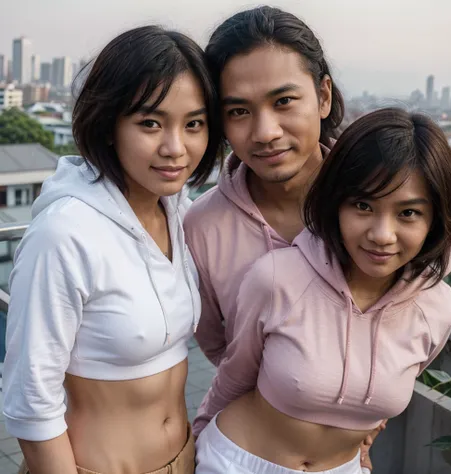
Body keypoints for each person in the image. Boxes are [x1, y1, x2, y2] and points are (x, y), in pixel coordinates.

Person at [193, 107, 451, 474]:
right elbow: (234, 376)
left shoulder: (437, 310)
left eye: (408, 213)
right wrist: (194, 442)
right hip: (236, 462)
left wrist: (365, 439)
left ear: (436, 219)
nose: (382, 235)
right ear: (336, 204)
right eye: (363, 205)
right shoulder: (276, 278)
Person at [3, 25, 222, 474]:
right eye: (150, 123)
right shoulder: (64, 233)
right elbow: (30, 398)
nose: (175, 148)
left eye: (194, 124)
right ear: (107, 126)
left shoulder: (175, 209)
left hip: (183, 459)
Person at [183, 6, 386, 469]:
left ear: (324, 96)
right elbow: (220, 346)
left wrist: (364, 414)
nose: (265, 132)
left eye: (284, 101)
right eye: (239, 111)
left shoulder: (380, 205)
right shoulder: (203, 227)